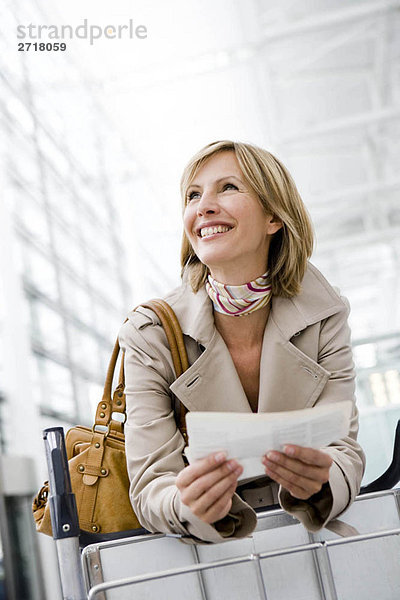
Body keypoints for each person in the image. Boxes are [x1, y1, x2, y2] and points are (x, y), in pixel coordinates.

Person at [118, 140, 366, 544]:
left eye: (228, 188)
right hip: (209, 560)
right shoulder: (151, 334)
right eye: (193, 195)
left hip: (309, 543)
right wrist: (187, 504)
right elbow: (150, 486)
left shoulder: (326, 313)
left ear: (274, 217)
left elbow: (344, 450)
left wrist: (321, 481)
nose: (204, 207)